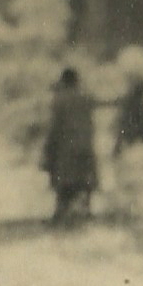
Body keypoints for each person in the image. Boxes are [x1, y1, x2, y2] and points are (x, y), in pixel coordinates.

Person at [42, 67, 98, 227]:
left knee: (64, 182)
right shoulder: (86, 98)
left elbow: (54, 127)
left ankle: (61, 213)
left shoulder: (59, 100)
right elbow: (90, 124)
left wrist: (48, 149)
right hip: (85, 147)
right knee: (84, 181)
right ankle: (85, 211)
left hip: (66, 149)